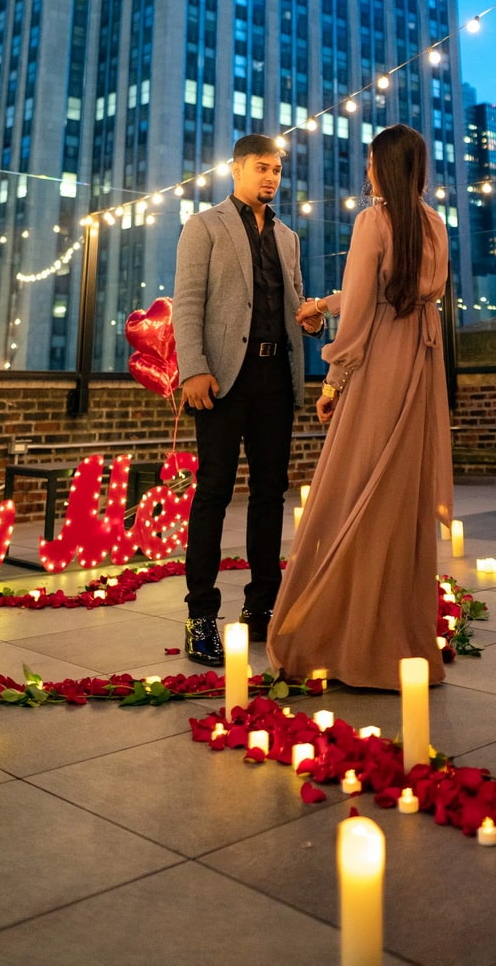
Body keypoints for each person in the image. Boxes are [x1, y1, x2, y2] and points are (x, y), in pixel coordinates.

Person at [267, 124, 453, 690]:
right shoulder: (434, 225)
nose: (366, 170)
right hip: (420, 368)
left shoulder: (374, 221)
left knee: (351, 490)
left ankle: (341, 632)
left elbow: (366, 313)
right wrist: (328, 300)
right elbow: (393, 290)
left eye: (372, 161)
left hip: (379, 369)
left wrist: (333, 381)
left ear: (385, 166)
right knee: (400, 495)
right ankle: (396, 632)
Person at [172, 134, 324, 666]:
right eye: (262, 168)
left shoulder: (288, 237)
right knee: (212, 492)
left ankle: (261, 609)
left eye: (278, 171)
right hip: (220, 379)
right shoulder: (204, 225)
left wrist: (311, 318)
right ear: (236, 168)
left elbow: (291, 302)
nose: (271, 178)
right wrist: (193, 368)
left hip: (275, 376)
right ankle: (200, 618)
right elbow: (187, 304)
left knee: (270, 493)